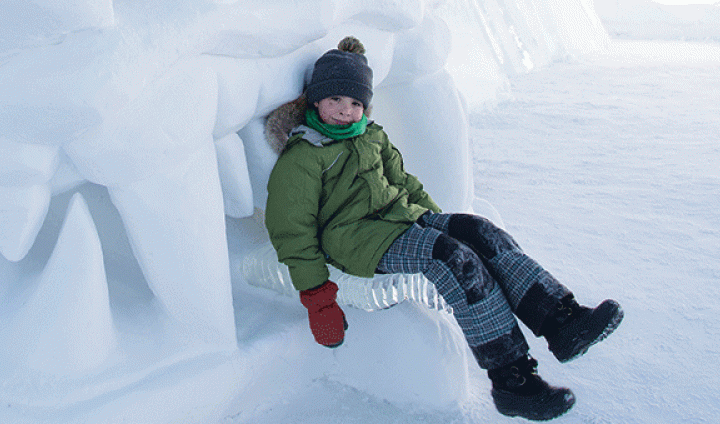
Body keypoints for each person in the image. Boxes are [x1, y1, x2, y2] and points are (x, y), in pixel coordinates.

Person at [264, 37, 622, 421]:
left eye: (355, 103)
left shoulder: (370, 136)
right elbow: (291, 232)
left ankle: (561, 321)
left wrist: (441, 223)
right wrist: (319, 298)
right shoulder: (303, 158)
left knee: (479, 231)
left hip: (399, 220)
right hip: (355, 240)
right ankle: (513, 380)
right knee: (454, 260)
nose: (345, 111)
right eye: (335, 100)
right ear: (315, 101)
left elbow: (403, 183)